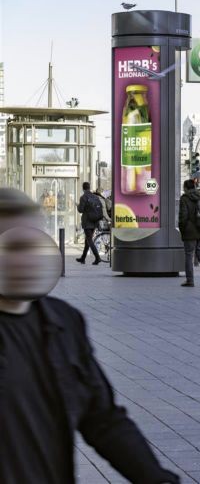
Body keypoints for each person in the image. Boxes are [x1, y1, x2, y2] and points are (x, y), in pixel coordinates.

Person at [0, 188, 179, 484]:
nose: (27, 260)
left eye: (33, 245)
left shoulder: (62, 323)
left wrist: (156, 478)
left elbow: (103, 419)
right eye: (13, 247)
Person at [76, 181, 103, 265]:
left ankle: (97, 257)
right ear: (89, 187)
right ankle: (83, 258)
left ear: (83, 188)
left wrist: (77, 205)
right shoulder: (95, 197)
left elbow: (80, 210)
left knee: (89, 240)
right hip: (94, 221)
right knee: (87, 240)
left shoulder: (83, 197)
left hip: (87, 221)